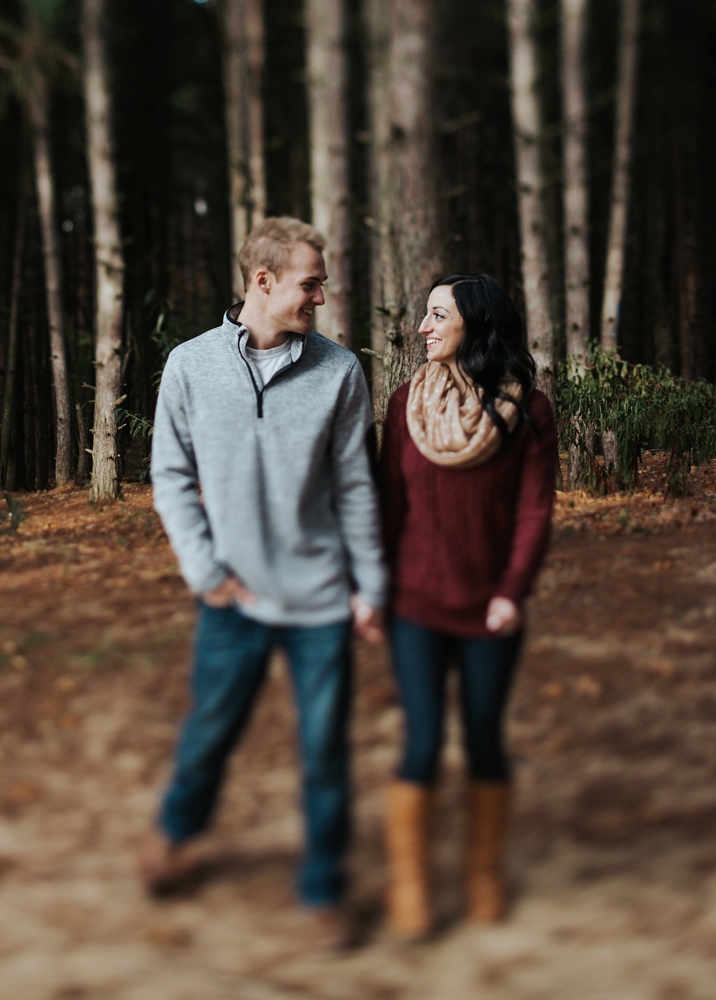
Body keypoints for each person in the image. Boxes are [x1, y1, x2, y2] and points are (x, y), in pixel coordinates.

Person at [141, 217, 386, 948]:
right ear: (263, 281)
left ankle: (322, 891)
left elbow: (355, 489)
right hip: (234, 599)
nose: (321, 294)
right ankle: (177, 836)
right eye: (311, 282)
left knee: (325, 751)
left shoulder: (339, 371)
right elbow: (170, 477)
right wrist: (205, 572)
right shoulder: (189, 366)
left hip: (318, 601)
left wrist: (369, 583)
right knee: (209, 731)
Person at [378, 273, 558, 940]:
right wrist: (377, 595)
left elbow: (534, 511)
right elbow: (387, 508)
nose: (422, 326)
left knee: (484, 742)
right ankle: (411, 884)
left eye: (436, 315)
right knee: (421, 743)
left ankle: (484, 875)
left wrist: (512, 593)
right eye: (423, 315)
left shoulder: (528, 413)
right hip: (415, 608)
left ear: (474, 324)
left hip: (490, 614)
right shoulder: (404, 407)